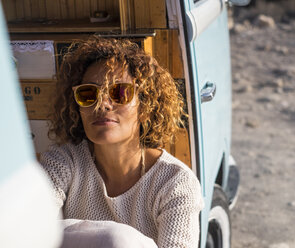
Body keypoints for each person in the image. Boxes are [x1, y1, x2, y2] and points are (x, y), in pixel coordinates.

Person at [40, 37, 204, 248]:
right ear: (78, 107)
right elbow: (30, 227)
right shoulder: (63, 162)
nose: (103, 104)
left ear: (145, 107)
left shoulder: (175, 183)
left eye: (119, 93)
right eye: (89, 94)